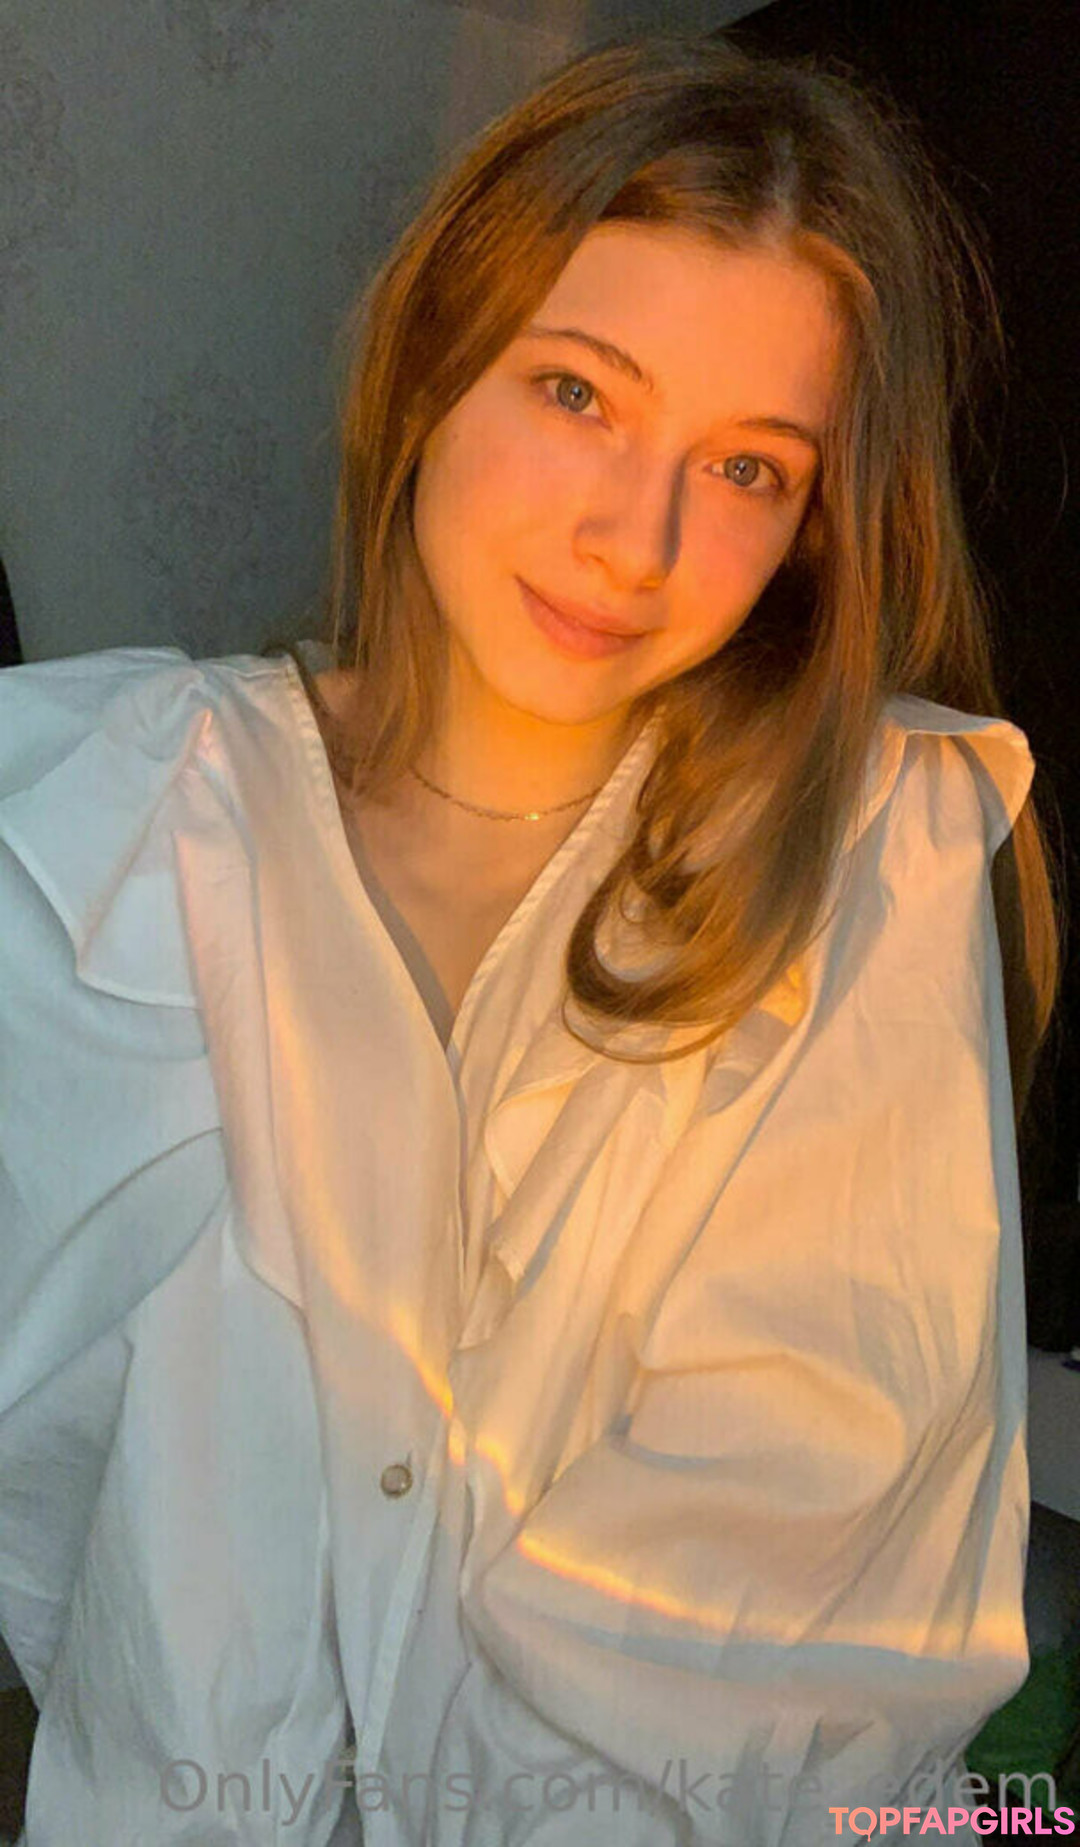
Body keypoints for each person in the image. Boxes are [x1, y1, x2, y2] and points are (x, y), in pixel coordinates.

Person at [0, 30, 1063, 1847]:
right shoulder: (78, 822)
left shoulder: (869, 858)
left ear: (813, 534)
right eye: (578, 392)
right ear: (435, 358)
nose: (635, 538)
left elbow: (770, 1628)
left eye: (749, 470)